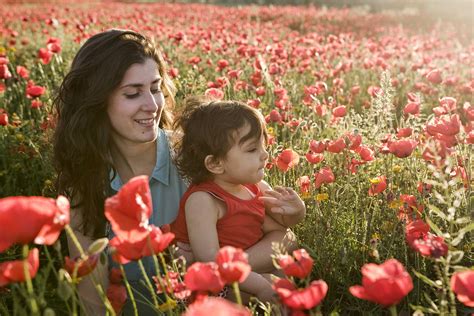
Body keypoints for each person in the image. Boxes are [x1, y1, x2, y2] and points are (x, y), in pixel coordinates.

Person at [53, 29, 299, 315]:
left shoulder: (195, 157)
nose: (152, 105)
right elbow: (92, 299)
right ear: (96, 101)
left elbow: (284, 238)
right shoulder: (87, 183)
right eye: (133, 93)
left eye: (156, 88)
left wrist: (224, 269)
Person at [170, 98, 306, 303]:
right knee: (275, 285)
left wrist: (296, 212)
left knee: (285, 261)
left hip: (248, 269)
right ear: (215, 163)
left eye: (263, 145)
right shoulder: (203, 200)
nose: (265, 154)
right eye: (252, 149)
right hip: (217, 286)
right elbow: (210, 262)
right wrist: (260, 285)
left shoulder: (255, 186)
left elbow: (281, 228)